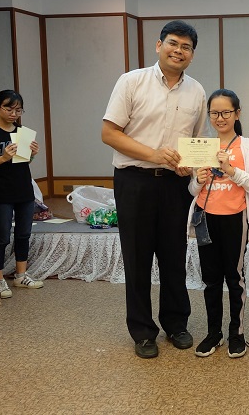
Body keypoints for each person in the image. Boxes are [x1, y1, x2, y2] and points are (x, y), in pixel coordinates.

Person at [102, 20, 207, 359]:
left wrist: (190, 163)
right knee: (137, 257)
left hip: (176, 185)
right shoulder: (131, 81)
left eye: (186, 47)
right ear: (159, 45)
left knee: (174, 255)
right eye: (173, 43)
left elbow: (194, 140)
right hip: (135, 181)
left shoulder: (197, 91)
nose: (179, 51)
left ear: (192, 55)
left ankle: (176, 323)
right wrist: (154, 155)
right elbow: (109, 133)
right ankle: (143, 331)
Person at [187, 89, 249, 359]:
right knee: (210, 280)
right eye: (214, 113)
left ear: (237, 114)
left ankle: (236, 334)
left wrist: (232, 171)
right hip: (205, 218)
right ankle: (213, 333)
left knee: (234, 277)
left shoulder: (248, 146)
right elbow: (192, 190)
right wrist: (198, 180)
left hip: (234, 218)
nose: (220, 118)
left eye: (226, 112)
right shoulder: (203, 146)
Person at [0, 89, 42, 298]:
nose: (14, 114)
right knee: (2, 236)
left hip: (24, 190)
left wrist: (32, 155)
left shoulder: (22, 132)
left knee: (23, 234)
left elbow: (22, 162)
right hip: (0, 192)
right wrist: (3, 158)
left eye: (18, 110)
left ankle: (21, 275)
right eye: (9, 109)